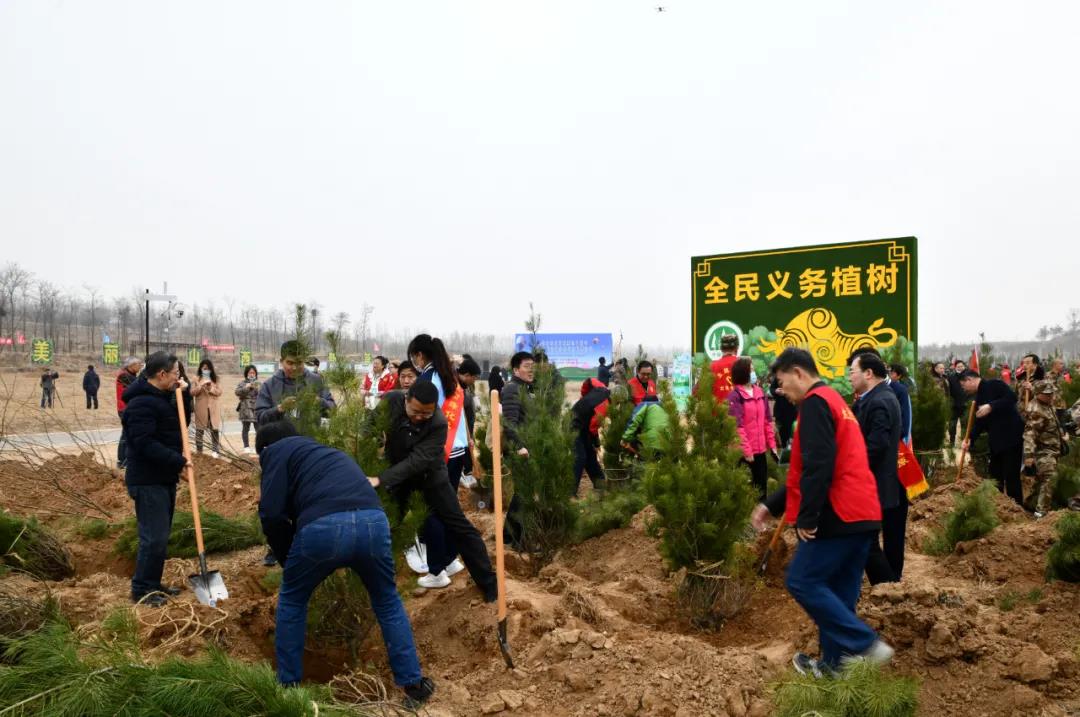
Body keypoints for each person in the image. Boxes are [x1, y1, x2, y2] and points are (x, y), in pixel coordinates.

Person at [255, 422, 435, 706]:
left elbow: (271, 514)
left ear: (265, 448)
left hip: (322, 528)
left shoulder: (275, 451)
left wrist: (287, 558)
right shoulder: (325, 453)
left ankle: (288, 689)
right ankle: (414, 685)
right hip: (373, 522)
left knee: (293, 600)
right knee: (387, 600)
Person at [750, 348, 890, 678]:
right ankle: (834, 666)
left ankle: (866, 644)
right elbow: (812, 467)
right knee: (840, 594)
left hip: (838, 512)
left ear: (798, 373)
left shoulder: (815, 404)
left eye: (782, 381)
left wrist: (808, 517)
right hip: (863, 513)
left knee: (802, 580)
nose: (781, 390)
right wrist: (771, 505)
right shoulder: (836, 402)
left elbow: (819, 465)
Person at [370, 383, 498, 602]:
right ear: (406, 399)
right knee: (385, 526)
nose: (420, 417)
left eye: (426, 413)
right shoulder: (391, 401)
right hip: (397, 479)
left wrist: (381, 479)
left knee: (459, 526)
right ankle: (377, 586)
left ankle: (490, 586)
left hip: (430, 478)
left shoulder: (438, 423)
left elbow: (417, 461)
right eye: (415, 411)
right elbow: (369, 424)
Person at [121, 351, 190, 607]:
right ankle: (142, 590)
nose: (178, 377)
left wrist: (184, 394)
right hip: (148, 480)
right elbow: (144, 444)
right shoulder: (141, 404)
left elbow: (182, 422)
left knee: (160, 536)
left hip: (162, 477)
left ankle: (152, 583)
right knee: (154, 538)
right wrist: (178, 462)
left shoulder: (162, 398)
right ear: (161, 374)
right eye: (175, 373)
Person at [406, 334, 469, 589]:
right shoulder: (450, 376)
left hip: (437, 455)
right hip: (457, 451)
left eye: (414, 357)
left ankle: (436, 571)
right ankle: (450, 559)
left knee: (430, 511)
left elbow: (421, 419)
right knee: (449, 508)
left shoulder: (427, 380)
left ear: (420, 356)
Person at [849, 352, 905, 584]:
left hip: (875, 483)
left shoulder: (880, 401)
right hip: (877, 482)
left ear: (868, 373)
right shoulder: (875, 397)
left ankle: (888, 588)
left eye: (852, 371)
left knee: (866, 541)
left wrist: (849, 467)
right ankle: (890, 586)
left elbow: (876, 446)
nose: (850, 377)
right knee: (870, 541)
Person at [960, 369, 1025, 506]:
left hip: (1011, 438)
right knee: (995, 475)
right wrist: (970, 439)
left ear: (969, 380)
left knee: (1011, 475)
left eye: (963, 385)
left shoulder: (995, 384)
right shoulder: (979, 398)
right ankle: (998, 506)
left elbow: (1012, 398)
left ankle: (1017, 507)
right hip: (996, 442)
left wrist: (991, 406)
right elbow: (980, 422)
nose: (963, 389)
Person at [728, 358, 779, 501]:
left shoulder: (760, 393)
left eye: (753, 370)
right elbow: (737, 426)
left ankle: (759, 515)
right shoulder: (735, 396)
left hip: (760, 451)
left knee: (761, 490)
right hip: (743, 453)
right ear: (742, 372)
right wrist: (746, 450)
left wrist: (772, 445)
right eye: (751, 370)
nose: (753, 373)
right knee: (741, 493)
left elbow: (767, 421)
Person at [255, 340, 336, 426]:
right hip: (281, 434)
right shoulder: (269, 385)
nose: (294, 368)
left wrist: (319, 402)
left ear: (304, 361)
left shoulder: (316, 381)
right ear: (281, 361)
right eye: (290, 363)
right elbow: (260, 418)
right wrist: (280, 408)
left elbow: (333, 409)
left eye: (299, 363)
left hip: (310, 434)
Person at [1019, 380, 1061, 519]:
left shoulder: (1047, 404)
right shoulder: (1036, 410)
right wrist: (1029, 455)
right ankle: (1041, 512)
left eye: (1051, 393)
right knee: (1049, 478)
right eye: (1047, 394)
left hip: (1052, 448)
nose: (1051, 396)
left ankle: (1030, 504)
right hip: (1043, 450)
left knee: (1041, 479)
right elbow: (1029, 434)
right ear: (1038, 394)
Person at [571, 378, 610, 493]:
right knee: (580, 457)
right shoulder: (605, 406)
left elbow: (589, 381)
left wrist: (584, 397)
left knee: (590, 456)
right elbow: (593, 428)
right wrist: (596, 444)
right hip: (573, 425)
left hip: (581, 423)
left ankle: (600, 485)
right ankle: (570, 492)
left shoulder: (602, 387)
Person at [500, 351, 536, 454]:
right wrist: (519, 447)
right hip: (520, 451)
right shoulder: (512, 389)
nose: (531, 370)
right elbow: (509, 422)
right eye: (527, 366)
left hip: (529, 445)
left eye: (533, 366)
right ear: (516, 370)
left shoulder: (525, 388)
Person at [190, 359, 223, 458]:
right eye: (204, 368)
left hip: (213, 408)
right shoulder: (196, 379)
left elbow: (219, 392)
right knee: (199, 430)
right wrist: (200, 385)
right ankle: (199, 452)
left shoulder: (215, 379)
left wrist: (210, 387)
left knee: (215, 430)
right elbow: (192, 392)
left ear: (211, 369)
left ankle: (215, 451)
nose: (206, 370)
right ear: (200, 369)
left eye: (207, 368)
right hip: (201, 408)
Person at [621, 393, 670, 458]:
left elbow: (634, 421)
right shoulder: (664, 408)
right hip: (667, 442)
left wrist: (625, 438)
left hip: (651, 441)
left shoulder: (645, 405)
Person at [116, 357, 143, 469]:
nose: (140, 367)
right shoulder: (124, 375)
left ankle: (124, 460)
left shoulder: (129, 375)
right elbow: (138, 384)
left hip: (128, 408)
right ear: (131, 365)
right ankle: (123, 460)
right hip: (125, 408)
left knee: (128, 434)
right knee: (126, 434)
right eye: (138, 364)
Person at [235, 365, 260, 454]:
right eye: (250, 373)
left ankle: (258, 446)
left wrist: (257, 388)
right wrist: (247, 387)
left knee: (259, 429)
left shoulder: (259, 383)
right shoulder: (242, 383)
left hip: (257, 408)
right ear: (246, 374)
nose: (252, 374)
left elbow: (264, 394)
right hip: (245, 407)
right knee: (246, 428)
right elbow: (237, 392)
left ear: (256, 374)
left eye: (253, 373)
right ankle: (246, 446)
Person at [769, 374, 798, 451]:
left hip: (792, 410)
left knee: (790, 430)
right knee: (779, 431)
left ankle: (790, 449)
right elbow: (771, 389)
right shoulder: (778, 376)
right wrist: (775, 391)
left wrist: (785, 393)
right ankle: (781, 448)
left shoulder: (795, 376)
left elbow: (798, 391)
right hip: (779, 410)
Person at [710, 334, 740, 402]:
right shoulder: (743, 365)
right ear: (737, 348)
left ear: (721, 349)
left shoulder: (712, 366)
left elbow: (698, 392)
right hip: (738, 408)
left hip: (718, 408)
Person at [946, 360, 970, 446]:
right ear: (955, 367)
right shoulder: (951, 377)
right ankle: (952, 442)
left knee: (965, 425)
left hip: (965, 404)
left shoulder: (969, 376)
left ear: (964, 367)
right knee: (952, 425)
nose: (960, 368)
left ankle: (964, 442)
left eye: (962, 366)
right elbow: (948, 390)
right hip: (954, 405)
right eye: (958, 366)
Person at [888, 363, 913, 445]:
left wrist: (903, 433)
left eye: (892, 373)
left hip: (897, 434)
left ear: (899, 376)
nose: (889, 374)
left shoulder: (901, 389)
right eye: (888, 372)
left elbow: (906, 412)